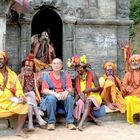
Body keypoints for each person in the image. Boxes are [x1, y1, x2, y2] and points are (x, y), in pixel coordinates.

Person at [41, 58, 76, 130]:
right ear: (51, 65)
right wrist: (55, 94)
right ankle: (51, 123)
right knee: (51, 98)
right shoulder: (47, 76)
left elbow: (69, 87)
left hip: (63, 96)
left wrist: (66, 92)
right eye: (54, 63)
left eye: (58, 64)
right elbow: (44, 90)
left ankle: (69, 122)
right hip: (53, 96)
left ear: (61, 66)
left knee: (69, 97)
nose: (56, 65)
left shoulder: (66, 75)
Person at [0, 51, 28, 138]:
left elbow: (18, 88)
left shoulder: (12, 74)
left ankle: (18, 130)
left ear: (5, 60)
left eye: (1, 59)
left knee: (24, 105)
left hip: (9, 103)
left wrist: (21, 97)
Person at [71, 55, 102, 131]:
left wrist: (89, 90)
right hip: (83, 97)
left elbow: (98, 88)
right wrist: (78, 96)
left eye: (80, 68)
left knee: (88, 100)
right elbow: (77, 91)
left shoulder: (92, 74)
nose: (78, 71)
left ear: (84, 68)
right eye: (77, 69)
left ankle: (81, 123)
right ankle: (93, 119)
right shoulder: (77, 78)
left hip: (94, 96)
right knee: (79, 103)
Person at [18, 57, 47, 131]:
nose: (28, 68)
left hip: (32, 98)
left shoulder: (35, 76)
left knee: (30, 100)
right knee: (31, 94)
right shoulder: (20, 76)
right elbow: (17, 89)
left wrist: (38, 80)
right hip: (22, 96)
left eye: (30, 66)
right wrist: (21, 75)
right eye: (27, 66)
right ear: (24, 67)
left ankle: (30, 124)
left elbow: (38, 89)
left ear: (33, 67)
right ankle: (38, 117)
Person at [122, 54, 140, 124]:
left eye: (136, 61)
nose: (134, 62)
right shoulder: (128, 74)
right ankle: (136, 116)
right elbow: (124, 85)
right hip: (132, 96)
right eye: (132, 61)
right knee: (128, 99)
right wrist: (126, 88)